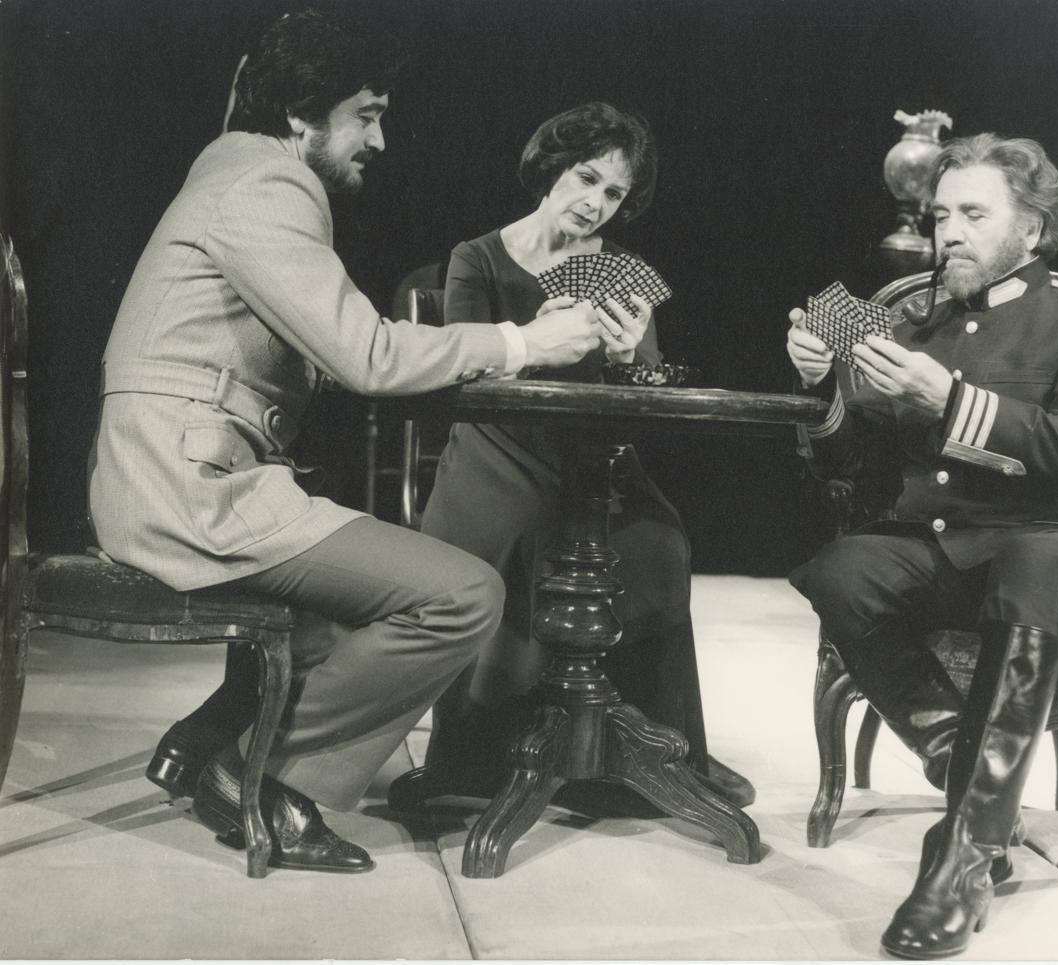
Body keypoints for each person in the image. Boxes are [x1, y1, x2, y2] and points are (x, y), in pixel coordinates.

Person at [88, 9, 602, 874]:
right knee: (464, 594)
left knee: (342, 608)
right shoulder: (269, 184)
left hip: (170, 473)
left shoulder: (230, 172)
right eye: (367, 114)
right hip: (188, 489)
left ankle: (203, 741)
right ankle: (260, 779)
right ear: (301, 113)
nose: (380, 139)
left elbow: (322, 353)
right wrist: (524, 342)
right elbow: (365, 354)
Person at [786, 133, 1058, 958]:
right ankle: (963, 766)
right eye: (942, 214)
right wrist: (821, 384)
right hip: (958, 549)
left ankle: (962, 858)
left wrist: (951, 399)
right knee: (841, 570)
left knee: (1032, 559)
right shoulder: (918, 322)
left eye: (974, 214)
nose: (948, 232)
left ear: (1033, 228)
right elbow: (847, 466)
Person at [395, 102, 755, 810]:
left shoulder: (623, 270)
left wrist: (627, 357)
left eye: (614, 193)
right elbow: (459, 372)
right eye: (587, 179)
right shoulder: (478, 256)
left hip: (594, 456)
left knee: (659, 541)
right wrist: (533, 338)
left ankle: (639, 749)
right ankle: (485, 755)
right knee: (521, 531)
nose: (596, 203)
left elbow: (648, 393)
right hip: (496, 448)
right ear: (553, 169)